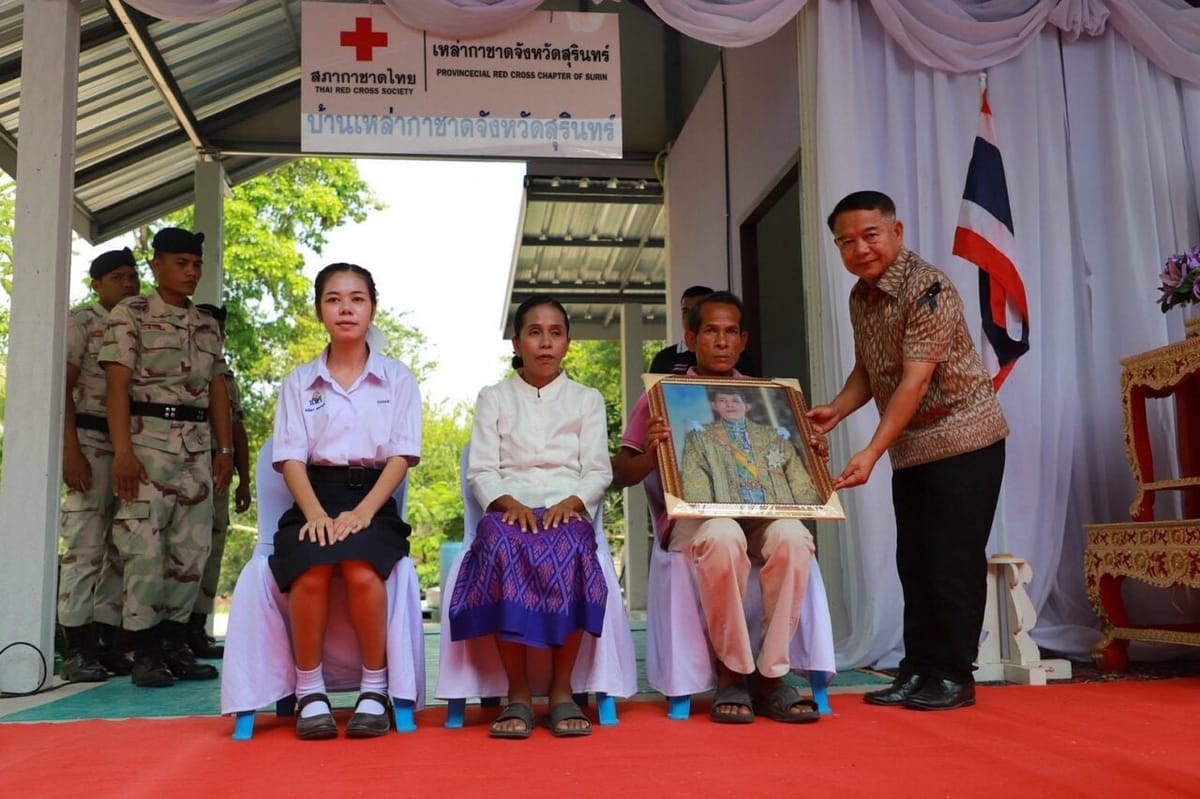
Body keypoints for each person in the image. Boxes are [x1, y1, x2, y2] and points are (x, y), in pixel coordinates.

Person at [808, 190, 1008, 712]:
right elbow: (870, 371)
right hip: (912, 447)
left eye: (870, 235)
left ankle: (954, 676)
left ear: (896, 232)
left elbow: (915, 382)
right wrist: (836, 409)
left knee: (952, 562)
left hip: (965, 438)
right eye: (846, 242)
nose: (860, 249)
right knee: (914, 562)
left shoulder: (929, 289)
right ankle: (917, 669)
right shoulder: (860, 296)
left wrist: (870, 452)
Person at [612, 291, 820, 724]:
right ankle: (732, 672)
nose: (721, 342)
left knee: (795, 536)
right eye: (710, 331)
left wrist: (811, 453)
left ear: (743, 340)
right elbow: (620, 472)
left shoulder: (765, 398)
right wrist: (653, 452)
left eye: (730, 333)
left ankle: (771, 674)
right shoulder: (663, 395)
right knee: (723, 535)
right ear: (691, 337)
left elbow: (790, 472)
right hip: (696, 520)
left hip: (760, 517)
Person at [268, 262, 422, 740]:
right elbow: (290, 457)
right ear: (320, 311)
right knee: (311, 567)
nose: (346, 308)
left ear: (372, 308)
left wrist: (362, 513)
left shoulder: (398, 379)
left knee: (359, 567)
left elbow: (401, 457)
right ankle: (309, 688)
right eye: (334, 299)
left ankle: (374, 689)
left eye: (356, 298)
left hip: (374, 498)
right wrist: (315, 514)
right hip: (314, 495)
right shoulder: (299, 382)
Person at [448, 295, 610, 740]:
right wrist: (508, 504)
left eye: (555, 333)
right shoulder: (494, 397)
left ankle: (562, 691)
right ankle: (516, 693)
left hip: (567, 507)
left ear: (568, 343)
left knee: (573, 546)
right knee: (501, 544)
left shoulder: (586, 399)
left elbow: (598, 470)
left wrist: (572, 503)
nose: (545, 342)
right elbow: (481, 468)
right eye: (534, 333)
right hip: (508, 510)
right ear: (517, 343)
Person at [100, 227, 234, 688]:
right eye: (181, 263)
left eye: (196, 264)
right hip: (146, 443)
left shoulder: (206, 323)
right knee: (144, 548)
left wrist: (225, 450)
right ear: (156, 266)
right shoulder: (130, 314)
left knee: (191, 549)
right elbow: (116, 386)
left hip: (196, 446)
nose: (192, 271)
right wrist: (122, 451)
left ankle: (176, 643)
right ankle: (145, 650)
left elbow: (218, 388)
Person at [57, 248, 141, 682]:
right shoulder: (82, 322)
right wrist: (70, 452)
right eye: (120, 277)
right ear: (98, 284)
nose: (130, 284)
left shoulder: (139, 322)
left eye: (134, 276)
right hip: (89, 441)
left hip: (132, 444)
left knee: (121, 548)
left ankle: (106, 642)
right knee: (85, 546)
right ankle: (78, 647)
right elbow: (63, 392)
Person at [187, 303, 252, 659]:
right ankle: (170, 632)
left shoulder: (225, 377)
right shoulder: (186, 367)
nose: (217, 334)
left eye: (220, 328)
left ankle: (197, 627)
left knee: (212, 547)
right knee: (184, 549)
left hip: (219, 468)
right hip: (185, 462)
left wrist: (245, 478)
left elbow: (237, 427)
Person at [681, 386, 822, 505]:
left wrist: (811, 505)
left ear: (747, 406)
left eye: (735, 401)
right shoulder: (702, 437)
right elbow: (696, 480)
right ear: (714, 406)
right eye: (722, 400)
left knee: (793, 533)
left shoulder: (773, 436)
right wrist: (704, 510)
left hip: (774, 509)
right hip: (724, 511)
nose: (729, 405)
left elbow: (796, 475)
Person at [649, 285, 714, 375]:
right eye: (685, 311)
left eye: (696, 311)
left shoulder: (727, 355)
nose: (689, 317)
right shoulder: (664, 358)